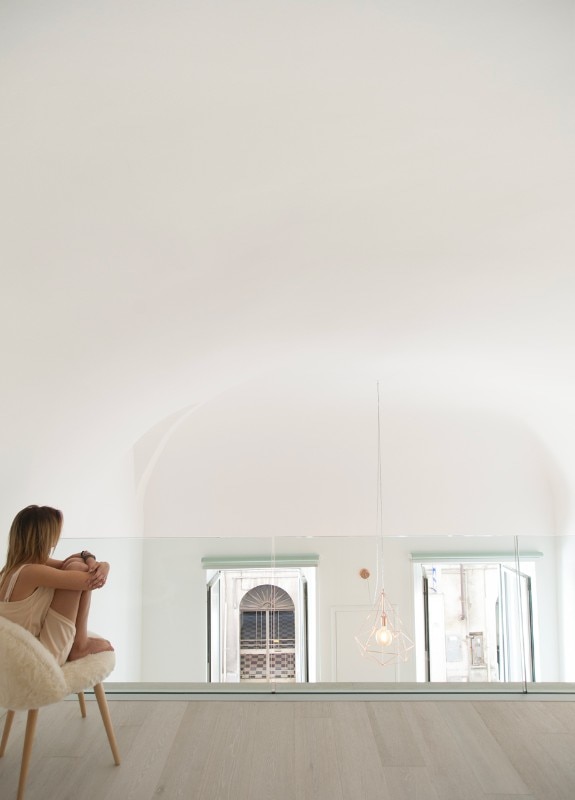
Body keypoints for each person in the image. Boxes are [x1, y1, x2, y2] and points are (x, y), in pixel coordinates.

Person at [0, 505, 114, 665]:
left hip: (25, 652)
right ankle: (80, 645)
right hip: (42, 657)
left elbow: (72, 560)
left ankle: (80, 643)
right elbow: (89, 581)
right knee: (78, 568)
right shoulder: (31, 572)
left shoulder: (15, 567)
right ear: (45, 537)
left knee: (76, 564)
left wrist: (89, 558)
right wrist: (105, 566)